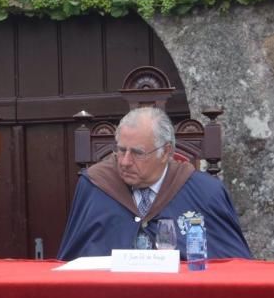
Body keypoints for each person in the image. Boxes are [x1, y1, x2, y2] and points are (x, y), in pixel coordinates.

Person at [58, 106, 251, 260]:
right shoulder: (94, 186)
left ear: (166, 152)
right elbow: (72, 261)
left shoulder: (206, 192)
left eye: (137, 153)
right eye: (121, 150)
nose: (124, 162)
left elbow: (235, 268)